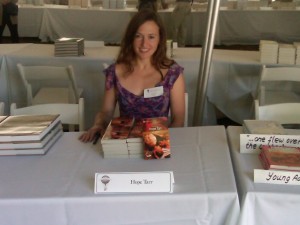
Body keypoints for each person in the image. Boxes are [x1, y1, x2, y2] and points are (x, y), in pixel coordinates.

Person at [79, 9, 186, 143]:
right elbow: (106, 113)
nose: (144, 44)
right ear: (131, 38)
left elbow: (178, 119)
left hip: (158, 145)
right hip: (125, 145)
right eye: (138, 36)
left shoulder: (172, 73)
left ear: (160, 39)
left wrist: (160, 144)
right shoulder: (114, 72)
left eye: (151, 37)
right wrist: (98, 125)